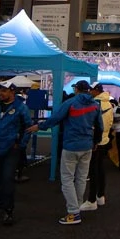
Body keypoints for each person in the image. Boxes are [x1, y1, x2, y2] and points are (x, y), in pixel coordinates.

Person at [42, 80, 103, 226]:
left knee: (67, 179)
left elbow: (56, 118)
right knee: (81, 178)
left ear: (76, 89)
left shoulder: (70, 103)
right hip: (87, 146)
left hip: (71, 146)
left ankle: (73, 212)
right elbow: (100, 126)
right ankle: (77, 207)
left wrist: (40, 126)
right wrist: (95, 142)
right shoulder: (95, 105)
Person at [0, 81, 38, 225]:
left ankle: (8, 210)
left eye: (4, 91)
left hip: (10, 150)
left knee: (7, 179)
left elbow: (28, 127)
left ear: (12, 92)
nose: (1, 93)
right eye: (0, 90)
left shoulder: (20, 108)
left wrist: (20, 145)